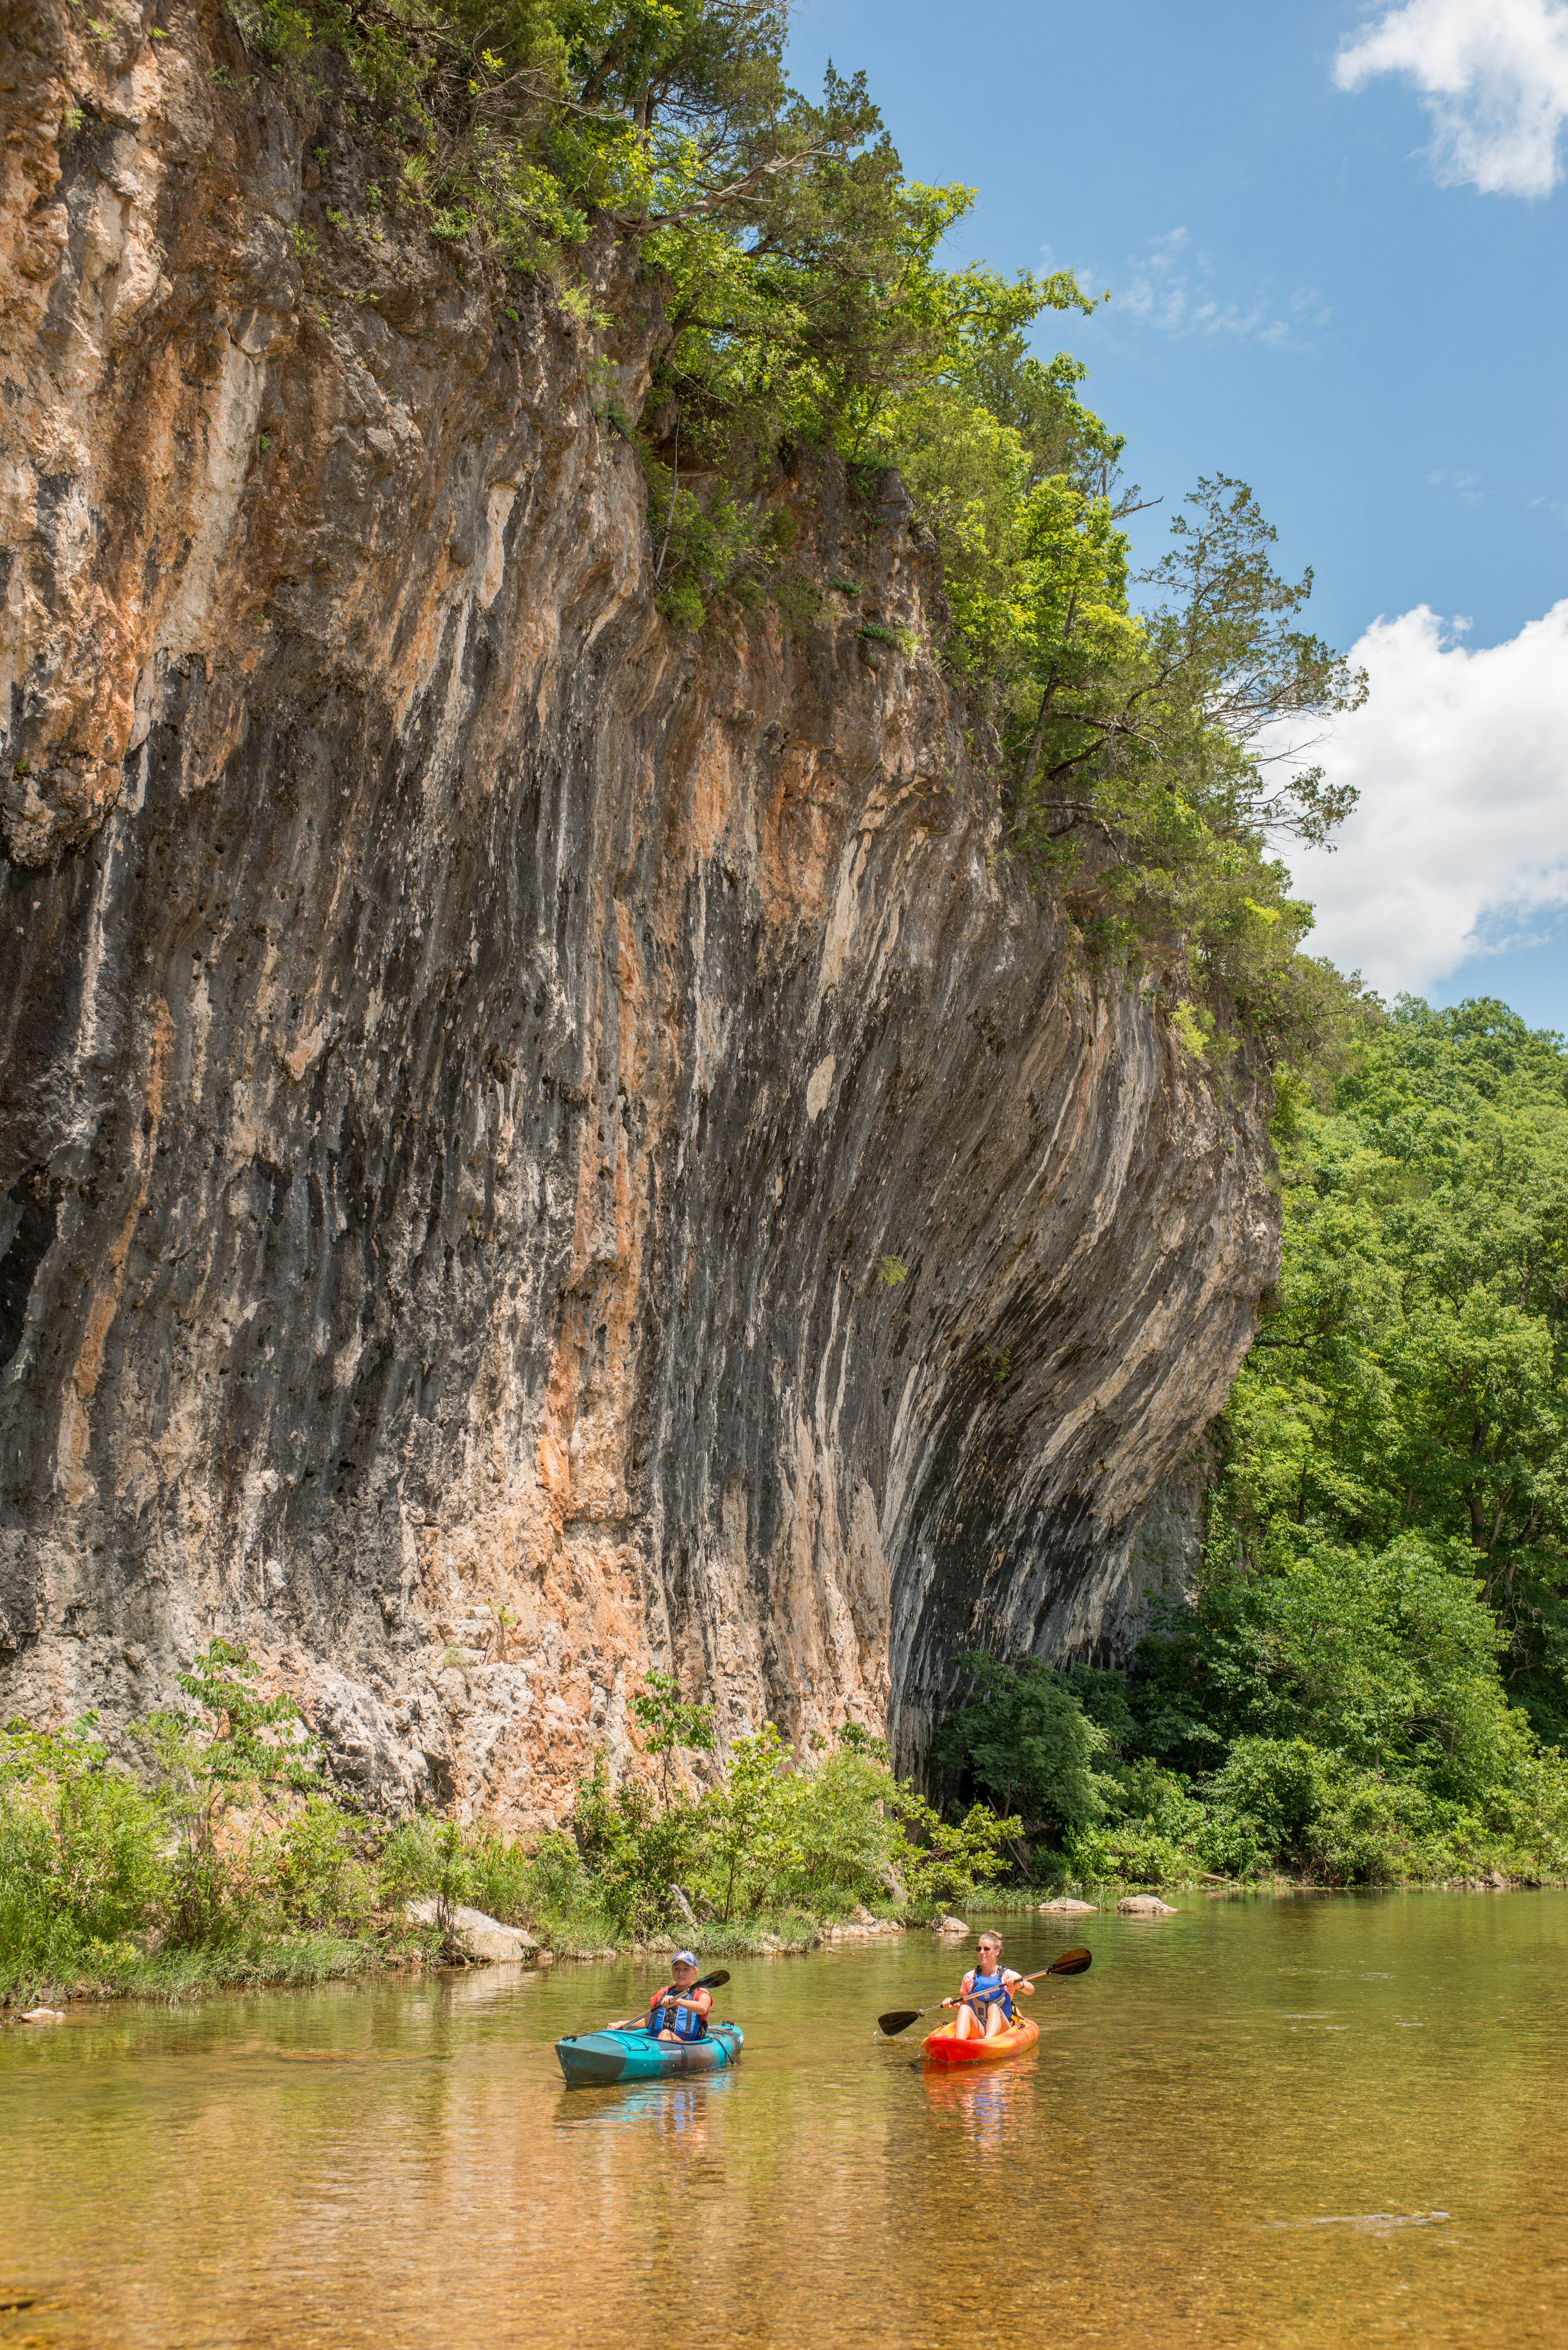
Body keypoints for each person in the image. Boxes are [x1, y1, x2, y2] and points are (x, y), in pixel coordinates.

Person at [942, 1931, 1034, 2041]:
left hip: (1003, 2031)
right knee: (965, 2008)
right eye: (979, 1949)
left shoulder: (1007, 1975)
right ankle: (960, 2042)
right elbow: (962, 2003)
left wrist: (1019, 1985)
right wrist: (952, 2004)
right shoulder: (970, 1977)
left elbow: (1031, 1990)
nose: (982, 1952)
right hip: (979, 2028)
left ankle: (988, 2041)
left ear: (997, 1952)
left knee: (994, 2008)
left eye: (987, 1949)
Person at [613, 1951, 713, 2042]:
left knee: (665, 2034)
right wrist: (622, 2024)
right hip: (657, 2042)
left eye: (686, 1969)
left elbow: (703, 2009)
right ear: (672, 1971)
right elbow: (647, 2022)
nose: (681, 1973)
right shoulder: (663, 1994)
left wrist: (679, 2001)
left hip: (688, 2046)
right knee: (664, 2034)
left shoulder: (701, 1994)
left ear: (695, 1973)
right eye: (677, 1969)